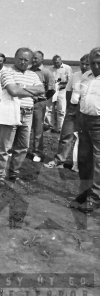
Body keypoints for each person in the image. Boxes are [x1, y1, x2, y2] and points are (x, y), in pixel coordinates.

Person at [0, 48, 44, 186]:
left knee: (22, 146)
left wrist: (21, 88)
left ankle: (14, 174)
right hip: (11, 110)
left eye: (26, 60)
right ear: (15, 58)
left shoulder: (33, 75)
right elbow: (13, 91)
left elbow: (41, 90)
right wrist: (30, 91)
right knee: (5, 146)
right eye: (20, 59)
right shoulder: (7, 72)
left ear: (30, 61)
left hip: (28, 112)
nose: (23, 62)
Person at [44, 53, 90, 171]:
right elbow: (69, 92)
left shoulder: (95, 78)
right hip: (73, 109)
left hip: (89, 112)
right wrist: (71, 107)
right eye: (82, 64)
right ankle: (59, 161)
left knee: (85, 139)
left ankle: (81, 165)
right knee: (66, 135)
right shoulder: (75, 76)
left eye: (87, 64)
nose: (84, 66)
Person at [70, 47, 100, 213]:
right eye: (92, 63)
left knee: (97, 162)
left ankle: (95, 198)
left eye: (99, 63)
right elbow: (79, 99)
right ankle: (84, 192)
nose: (95, 66)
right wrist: (78, 119)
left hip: (98, 122)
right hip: (84, 120)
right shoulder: (85, 76)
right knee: (83, 159)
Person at [28, 51, 56, 162]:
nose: (33, 60)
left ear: (41, 59)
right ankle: (22, 148)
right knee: (24, 127)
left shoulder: (46, 72)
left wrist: (42, 100)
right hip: (27, 102)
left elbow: (51, 90)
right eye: (32, 58)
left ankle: (37, 152)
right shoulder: (28, 71)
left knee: (37, 128)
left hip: (39, 103)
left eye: (36, 58)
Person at [48, 55, 73, 133]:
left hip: (62, 91)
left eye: (58, 62)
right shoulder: (50, 69)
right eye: (55, 63)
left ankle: (60, 128)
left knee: (61, 110)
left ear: (61, 61)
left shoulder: (67, 68)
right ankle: (50, 127)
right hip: (52, 91)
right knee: (49, 109)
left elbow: (70, 81)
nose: (56, 64)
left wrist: (61, 85)